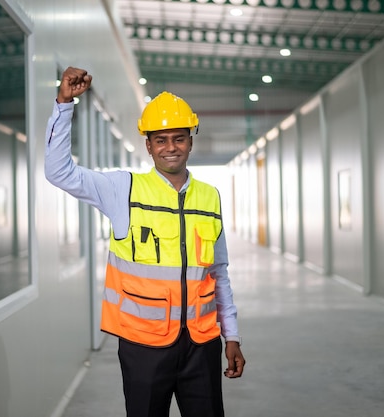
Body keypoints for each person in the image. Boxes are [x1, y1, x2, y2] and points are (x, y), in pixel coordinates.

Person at [45, 66, 245, 417]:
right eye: (161, 140)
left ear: (191, 141)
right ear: (149, 145)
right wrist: (64, 104)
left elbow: (219, 273)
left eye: (179, 138)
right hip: (143, 346)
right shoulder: (123, 189)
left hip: (201, 343)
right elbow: (59, 171)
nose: (171, 147)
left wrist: (232, 336)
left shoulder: (209, 197)